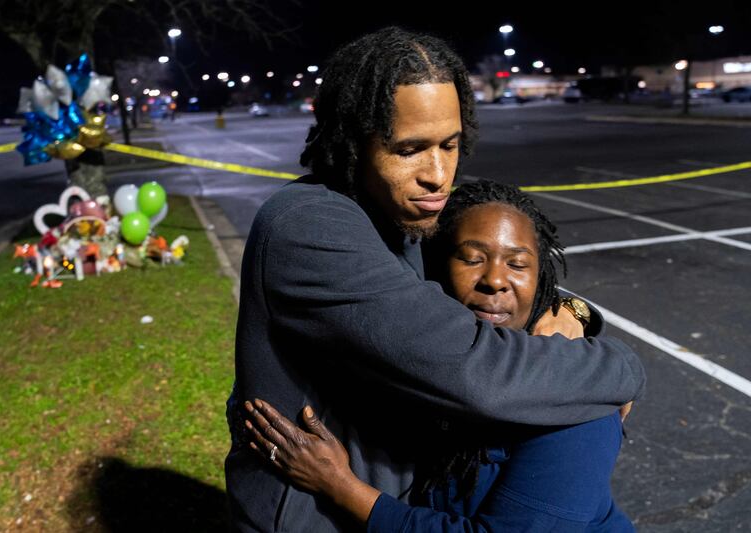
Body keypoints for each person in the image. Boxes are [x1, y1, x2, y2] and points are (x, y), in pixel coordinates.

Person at [226, 27, 645, 532]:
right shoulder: (311, 227)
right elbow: (476, 373)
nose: (438, 174)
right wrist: (624, 365)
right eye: (409, 149)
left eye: (450, 144)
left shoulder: (399, 215)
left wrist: (575, 311)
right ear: (352, 140)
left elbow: (485, 270)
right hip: (312, 516)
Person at [242, 180, 635, 532]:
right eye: (472, 257)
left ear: (540, 279)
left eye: (517, 264)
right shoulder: (433, 361)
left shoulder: (581, 398)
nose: (495, 280)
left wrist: (340, 486)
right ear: (436, 268)